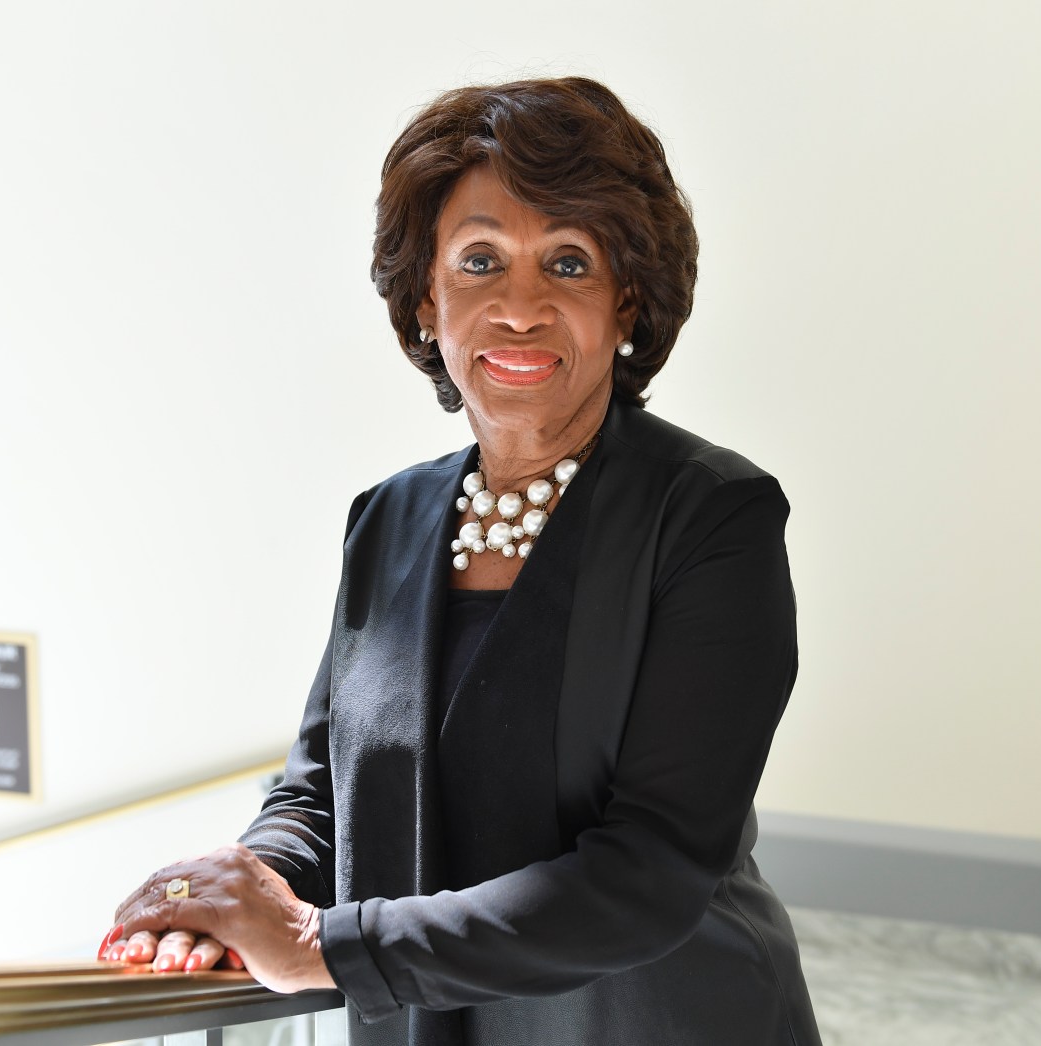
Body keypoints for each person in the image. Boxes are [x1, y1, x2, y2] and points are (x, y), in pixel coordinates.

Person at [102, 76, 822, 1046]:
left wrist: (323, 943)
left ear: (627, 304)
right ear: (426, 303)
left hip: (655, 1017)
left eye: (568, 263)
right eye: (480, 260)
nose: (520, 306)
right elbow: (320, 787)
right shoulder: (389, 518)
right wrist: (245, 886)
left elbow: (650, 870)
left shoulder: (710, 517)